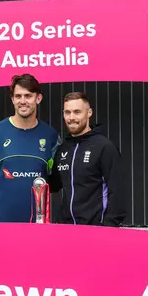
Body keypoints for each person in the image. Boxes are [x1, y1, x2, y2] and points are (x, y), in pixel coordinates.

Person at [0, 74, 61, 223]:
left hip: (36, 229)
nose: (23, 101)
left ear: (38, 98)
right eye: (18, 96)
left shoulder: (50, 137)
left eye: (28, 96)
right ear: (12, 99)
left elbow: (58, 180)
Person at [48, 92, 127, 227]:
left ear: (89, 113)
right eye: (67, 112)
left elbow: (118, 192)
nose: (71, 117)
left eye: (77, 112)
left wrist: (108, 226)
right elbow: (55, 184)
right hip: (66, 230)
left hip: (96, 230)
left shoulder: (104, 147)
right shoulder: (63, 149)